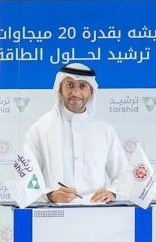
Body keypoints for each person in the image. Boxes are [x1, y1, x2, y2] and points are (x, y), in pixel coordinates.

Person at [23, 63, 129, 203]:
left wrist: (113, 193)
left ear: (91, 91)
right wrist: (50, 194)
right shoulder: (40, 129)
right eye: (70, 85)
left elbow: (123, 175)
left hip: (97, 212)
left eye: (82, 86)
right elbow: (26, 175)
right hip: (55, 213)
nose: (76, 93)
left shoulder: (105, 131)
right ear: (60, 88)